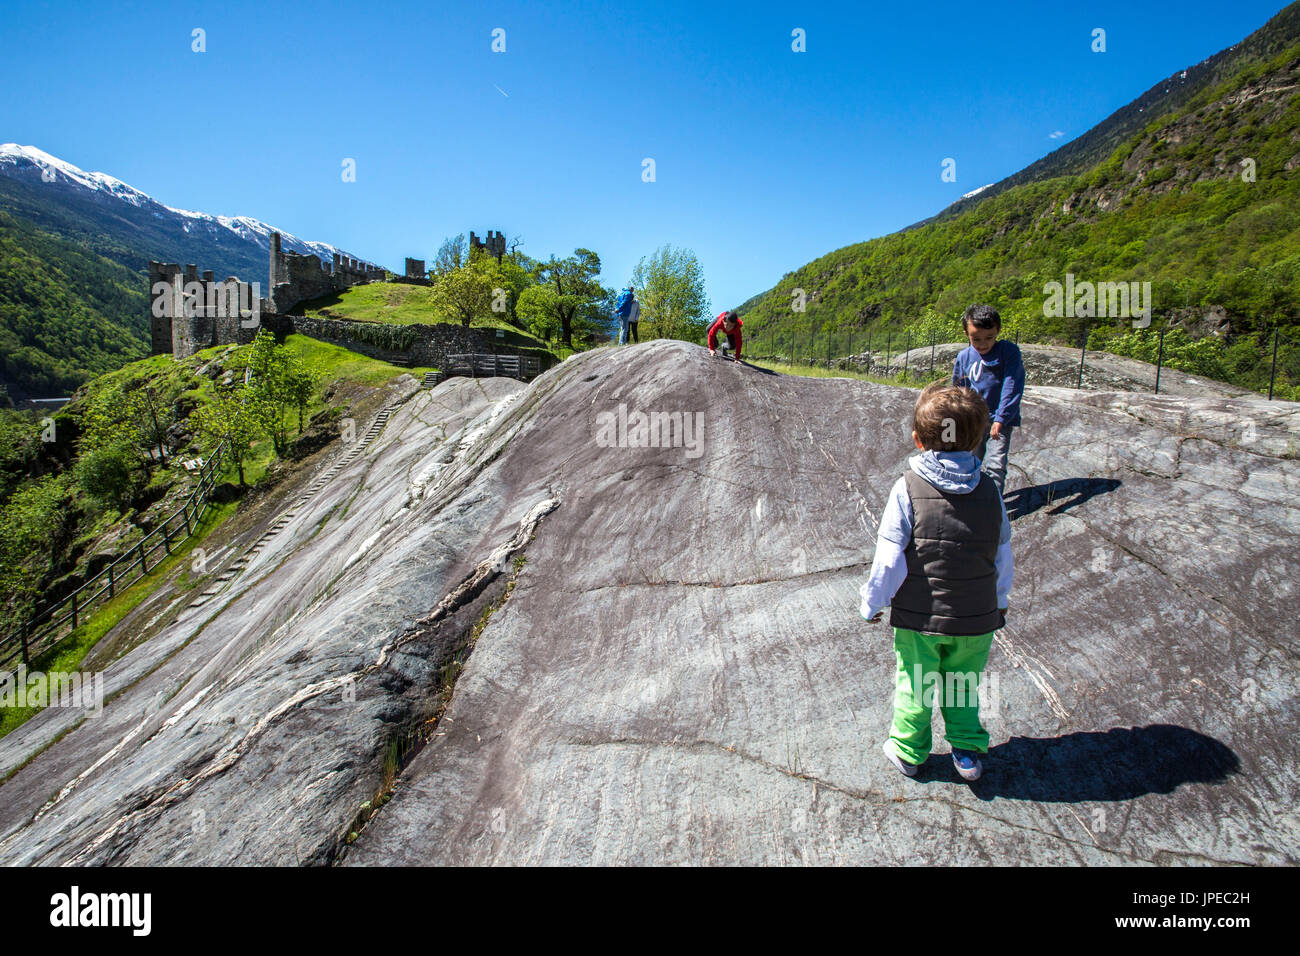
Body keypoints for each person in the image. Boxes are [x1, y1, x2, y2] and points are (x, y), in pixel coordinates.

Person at [860, 382, 1013, 782]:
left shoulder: (907, 488)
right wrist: (999, 602)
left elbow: (890, 557)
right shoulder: (991, 492)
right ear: (978, 439)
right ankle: (966, 753)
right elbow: (1002, 554)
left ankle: (910, 751)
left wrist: (872, 601)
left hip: (921, 619)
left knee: (917, 683)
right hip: (977, 618)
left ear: (917, 438)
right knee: (963, 683)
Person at [951, 304, 1024, 496]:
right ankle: (968, 499)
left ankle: (994, 506)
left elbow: (1012, 384)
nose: (983, 344)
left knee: (995, 465)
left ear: (998, 330)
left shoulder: (1008, 352)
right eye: (976, 339)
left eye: (989, 338)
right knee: (968, 461)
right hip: (974, 420)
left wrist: (1001, 418)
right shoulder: (964, 357)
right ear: (966, 333)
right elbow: (959, 389)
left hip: (999, 421)